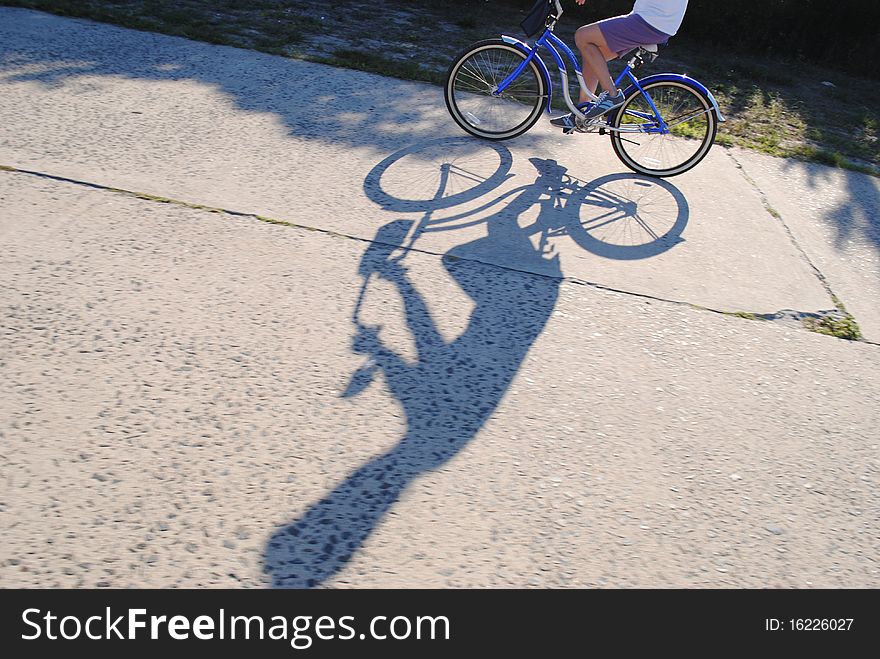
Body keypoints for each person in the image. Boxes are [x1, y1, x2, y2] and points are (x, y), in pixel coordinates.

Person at [550, 0, 689, 132]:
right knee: (593, 55)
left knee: (583, 36)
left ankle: (612, 94)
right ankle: (581, 114)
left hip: (652, 21)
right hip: (653, 20)